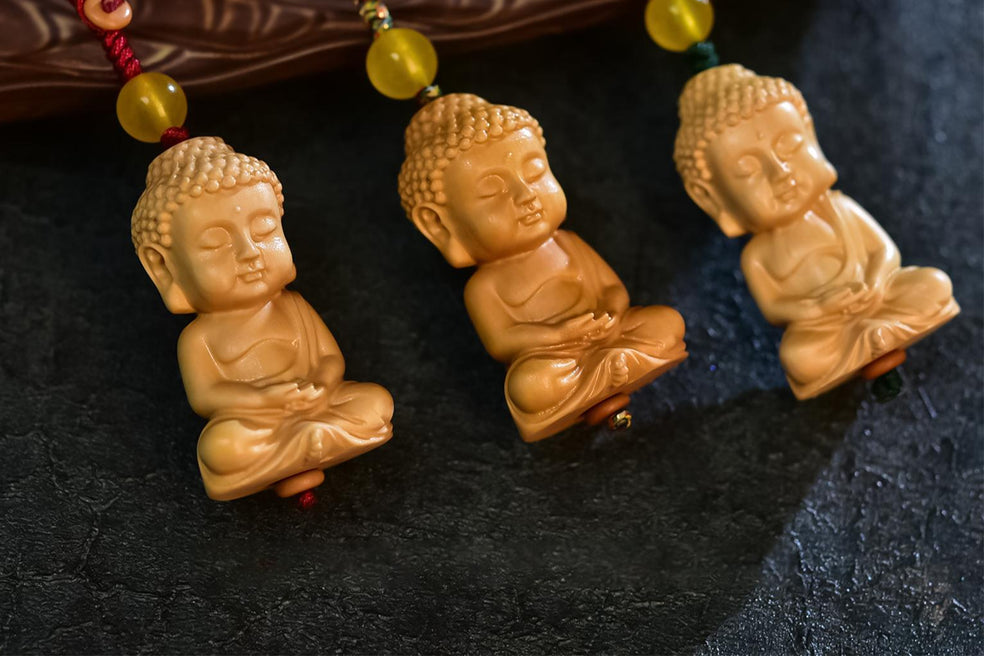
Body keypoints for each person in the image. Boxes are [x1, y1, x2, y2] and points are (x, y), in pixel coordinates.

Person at [400, 93, 686, 441]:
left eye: (535, 172)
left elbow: (611, 289)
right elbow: (502, 343)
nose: (526, 195)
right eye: (492, 191)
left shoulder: (568, 243)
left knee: (666, 321)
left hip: (608, 335)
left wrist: (611, 314)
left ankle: (605, 370)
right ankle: (610, 369)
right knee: (529, 386)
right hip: (555, 359)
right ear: (441, 225)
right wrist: (559, 337)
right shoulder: (484, 286)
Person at [675, 64, 958, 399]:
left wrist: (872, 282)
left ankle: (874, 333)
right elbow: (774, 308)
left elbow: (885, 251)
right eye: (748, 169)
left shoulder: (840, 208)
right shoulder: (758, 254)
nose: (780, 172)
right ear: (715, 199)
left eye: (789, 144)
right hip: (824, 325)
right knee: (799, 357)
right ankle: (877, 334)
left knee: (934, 283)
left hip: (876, 293)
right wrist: (816, 309)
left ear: (811, 138)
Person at [132, 137, 392, 500]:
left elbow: (331, 359)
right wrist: (264, 401)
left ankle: (301, 446)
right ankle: (309, 443)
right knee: (221, 446)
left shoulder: (294, 305)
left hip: (317, 406)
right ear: (165, 268)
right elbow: (206, 397)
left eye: (264, 230)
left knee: (376, 402)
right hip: (257, 424)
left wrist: (320, 384)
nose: (249, 252)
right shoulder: (199, 338)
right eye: (216, 243)